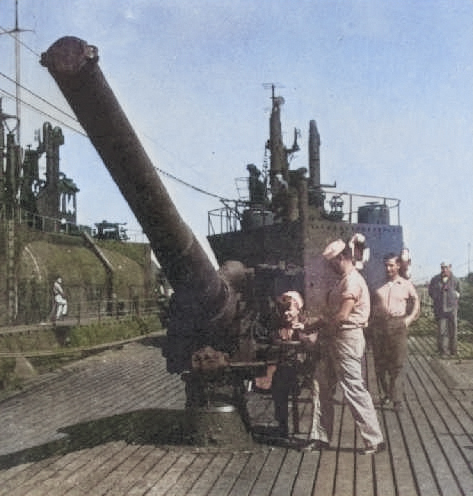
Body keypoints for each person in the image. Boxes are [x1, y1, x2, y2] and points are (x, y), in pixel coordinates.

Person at [308, 238, 384, 455]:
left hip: (347, 338)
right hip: (336, 338)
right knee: (321, 386)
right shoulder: (342, 280)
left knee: (353, 388)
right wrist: (312, 324)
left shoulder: (351, 281)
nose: (330, 267)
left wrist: (319, 332)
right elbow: (333, 314)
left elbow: (342, 315)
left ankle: (375, 440)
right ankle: (320, 436)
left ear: (342, 258)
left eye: (332, 263)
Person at [371, 253, 420, 412]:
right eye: (386, 265)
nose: (388, 268)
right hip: (379, 326)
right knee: (380, 364)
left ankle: (397, 399)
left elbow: (416, 302)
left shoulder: (406, 284)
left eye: (391, 265)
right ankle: (387, 393)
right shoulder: (378, 285)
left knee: (397, 363)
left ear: (398, 266)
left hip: (398, 324)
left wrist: (409, 319)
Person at [428, 262, 461, 357]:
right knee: (442, 331)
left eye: (446, 267)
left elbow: (459, 292)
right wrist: (437, 299)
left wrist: (454, 298)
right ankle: (443, 351)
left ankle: (453, 351)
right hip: (440, 309)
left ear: (450, 267)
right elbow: (430, 292)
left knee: (453, 330)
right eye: (442, 268)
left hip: (452, 309)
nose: (444, 270)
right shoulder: (435, 279)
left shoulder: (456, 280)